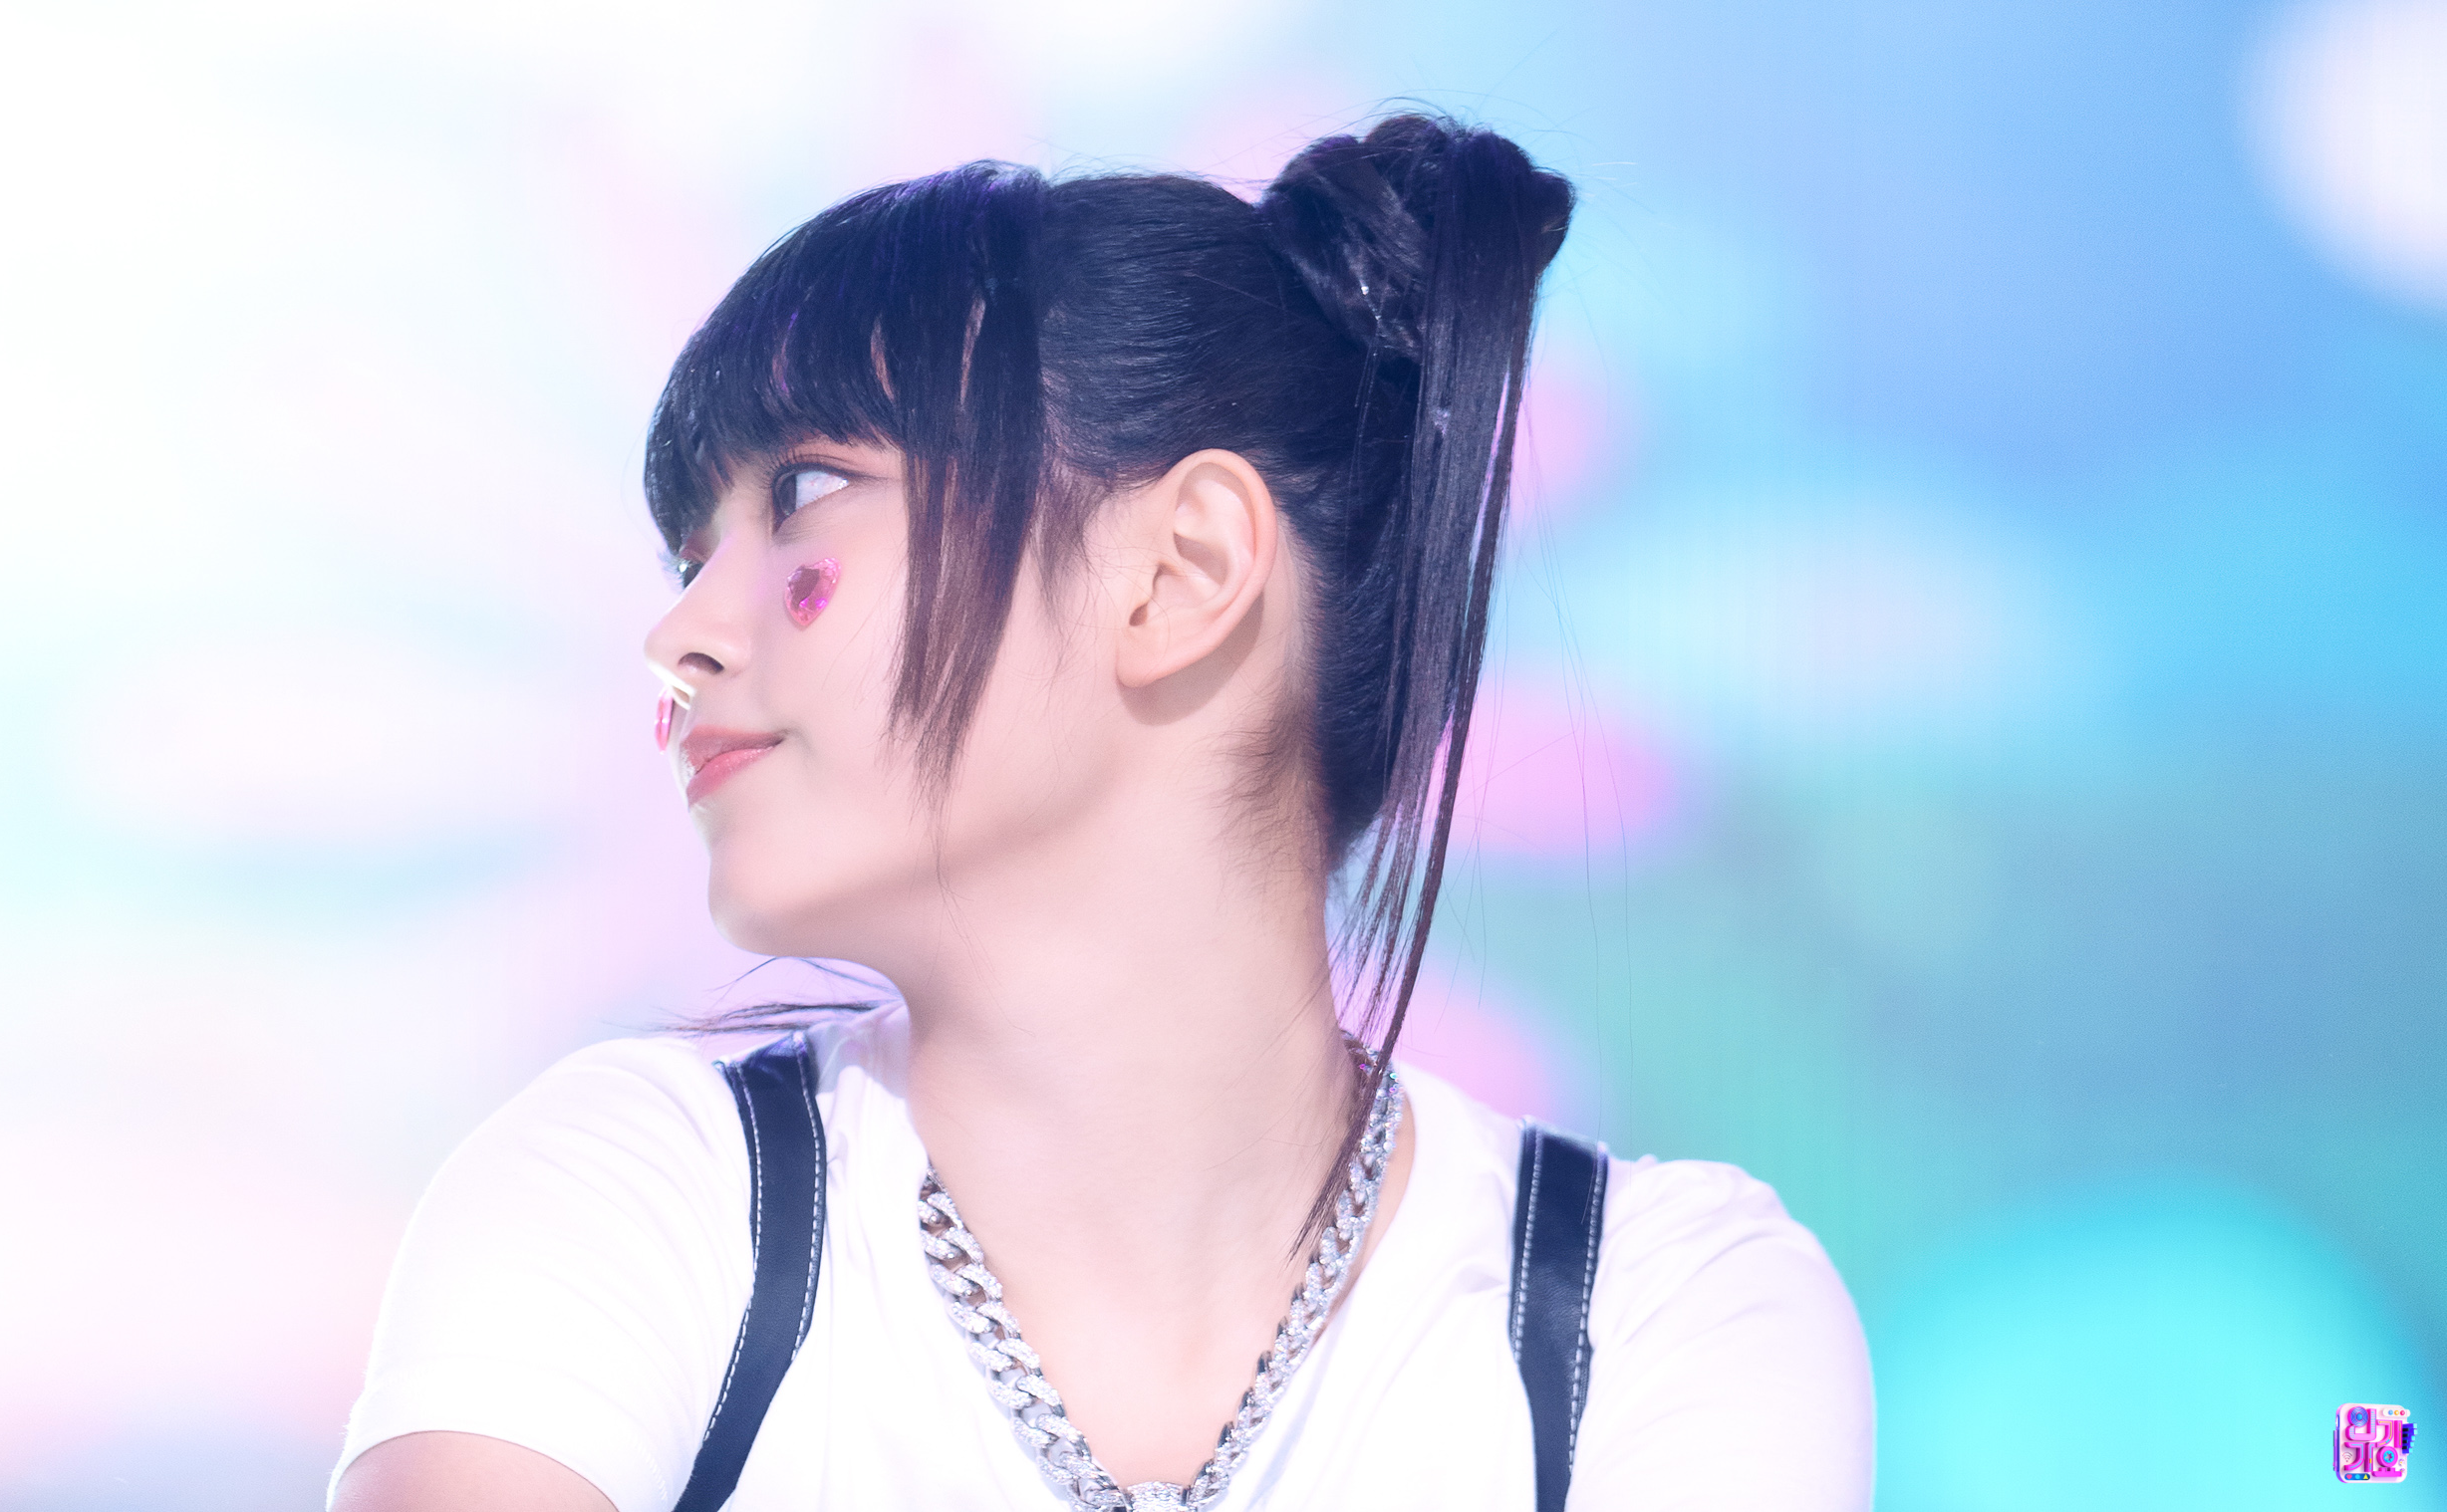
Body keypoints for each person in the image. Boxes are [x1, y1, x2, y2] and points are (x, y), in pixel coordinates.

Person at [329, 115, 1872, 1512]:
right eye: (690, 555)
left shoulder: (1647, 1318)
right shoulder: (638, 1202)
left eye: (801, 494)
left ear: (1181, 570)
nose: (681, 634)